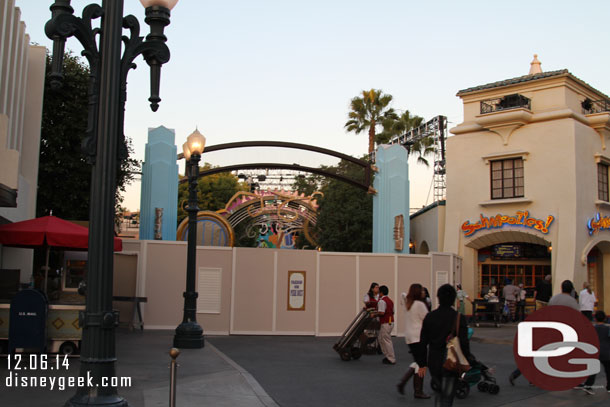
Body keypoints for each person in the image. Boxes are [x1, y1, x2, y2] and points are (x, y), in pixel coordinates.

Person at [415, 284, 471, 407]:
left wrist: (422, 363)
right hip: (451, 361)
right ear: (453, 298)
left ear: (438, 298)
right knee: (447, 397)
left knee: (438, 393)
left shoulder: (430, 317)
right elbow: (464, 343)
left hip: (434, 360)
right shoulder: (458, 317)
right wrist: (469, 359)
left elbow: (423, 342)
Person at [397, 284, 430, 399]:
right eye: (421, 290)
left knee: (417, 361)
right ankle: (418, 390)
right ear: (418, 292)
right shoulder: (420, 304)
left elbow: (402, 295)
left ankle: (404, 383)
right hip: (419, 336)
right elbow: (427, 320)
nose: (423, 292)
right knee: (422, 363)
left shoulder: (408, 304)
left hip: (409, 337)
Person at [575, 310, 610, 395]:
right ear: (605, 318)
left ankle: (588, 385)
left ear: (595, 318)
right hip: (606, 352)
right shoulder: (608, 328)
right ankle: (609, 387)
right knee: (608, 371)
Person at [373, 285, 396, 365]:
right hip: (390, 322)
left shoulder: (382, 301)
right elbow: (393, 312)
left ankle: (391, 358)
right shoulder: (390, 301)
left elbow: (382, 312)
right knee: (381, 338)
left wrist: (374, 314)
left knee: (386, 340)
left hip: (386, 322)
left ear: (381, 292)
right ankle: (387, 355)